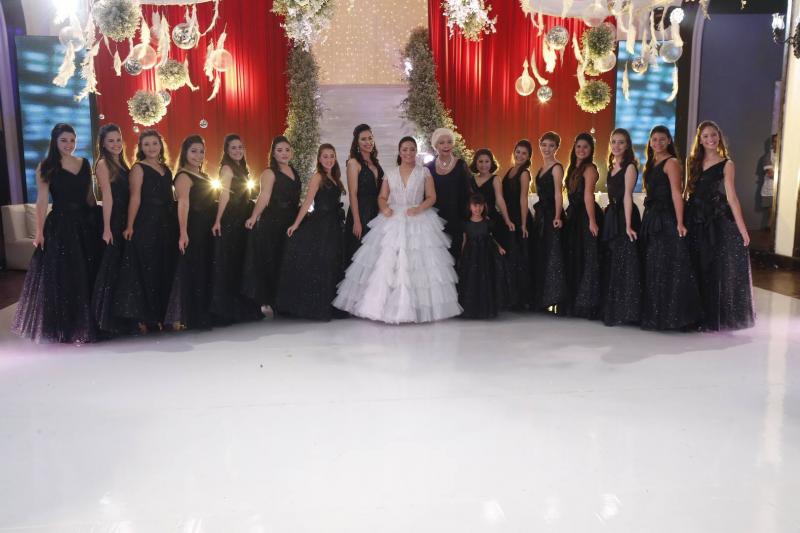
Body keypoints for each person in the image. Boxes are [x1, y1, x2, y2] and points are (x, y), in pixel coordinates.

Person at [334, 136, 461, 323]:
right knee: (387, 263)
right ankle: (383, 307)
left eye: (412, 149)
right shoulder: (390, 173)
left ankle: (418, 307)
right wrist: (384, 208)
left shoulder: (424, 172)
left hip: (418, 218)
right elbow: (382, 197)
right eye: (405, 149)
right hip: (393, 218)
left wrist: (419, 208)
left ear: (416, 151)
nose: (408, 153)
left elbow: (432, 197)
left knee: (419, 264)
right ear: (399, 152)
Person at [12, 123, 102, 343]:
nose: (69, 144)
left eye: (72, 140)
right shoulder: (46, 166)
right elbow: (42, 200)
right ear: (54, 141)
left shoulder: (84, 162)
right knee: (67, 275)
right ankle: (69, 326)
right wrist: (39, 232)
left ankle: (90, 323)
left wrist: (100, 218)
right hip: (61, 225)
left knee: (88, 272)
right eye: (64, 140)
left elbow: (90, 196)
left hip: (85, 223)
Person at [685, 121, 755, 330]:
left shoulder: (727, 164)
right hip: (692, 216)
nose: (710, 139)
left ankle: (709, 316)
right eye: (706, 136)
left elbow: (732, 197)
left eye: (713, 135)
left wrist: (742, 229)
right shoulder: (693, 161)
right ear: (700, 140)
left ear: (719, 137)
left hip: (712, 218)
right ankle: (692, 315)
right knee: (692, 264)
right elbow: (686, 192)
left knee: (710, 265)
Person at [639, 125, 702, 330]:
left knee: (668, 264)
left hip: (666, 218)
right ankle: (656, 313)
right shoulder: (651, 162)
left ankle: (673, 316)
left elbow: (677, 193)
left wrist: (680, 222)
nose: (657, 143)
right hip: (652, 217)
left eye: (662, 139)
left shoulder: (672, 162)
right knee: (654, 263)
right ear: (650, 142)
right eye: (654, 139)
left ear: (668, 141)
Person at [114, 129, 178, 332]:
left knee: (164, 266)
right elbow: (135, 198)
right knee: (148, 267)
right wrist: (130, 225)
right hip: (146, 221)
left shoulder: (166, 168)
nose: (151, 147)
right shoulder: (138, 168)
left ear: (161, 146)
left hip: (167, 222)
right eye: (147, 144)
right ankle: (148, 318)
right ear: (141, 147)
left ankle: (164, 315)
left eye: (155, 143)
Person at [275, 144, 346, 320]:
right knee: (322, 263)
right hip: (321, 224)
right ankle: (318, 306)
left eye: (331, 156)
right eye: (325, 156)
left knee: (331, 262)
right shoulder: (318, 177)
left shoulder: (335, 177)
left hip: (334, 225)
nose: (329, 159)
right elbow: (308, 202)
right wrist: (296, 224)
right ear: (319, 159)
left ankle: (330, 303)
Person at [241, 136, 301, 312]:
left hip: (291, 218)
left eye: (287, 150)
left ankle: (284, 300)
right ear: (273, 153)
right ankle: (272, 301)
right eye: (279, 150)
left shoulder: (293, 170)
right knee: (273, 259)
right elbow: (264, 196)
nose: (284, 153)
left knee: (286, 260)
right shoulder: (269, 173)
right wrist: (254, 217)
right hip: (274, 220)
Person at [164, 135, 217, 330]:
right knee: (193, 269)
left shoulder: (203, 175)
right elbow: (183, 204)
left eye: (201, 151)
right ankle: (192, 315)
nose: (198, 155)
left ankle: (204, 312)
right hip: (194, 228)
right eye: (194, 151)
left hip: (206, 227)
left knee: (203, 268)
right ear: (185, 152)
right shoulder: (183, 176)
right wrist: (183, 232)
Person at [209, 134, 261, 324]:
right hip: (231, 218)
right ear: (227, 151)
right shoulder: (227, 168)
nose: (238, 150)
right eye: (233, 148)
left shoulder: (241, 167)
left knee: (240, 261)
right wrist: (218, 220)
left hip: (242, 216)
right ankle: (228, 310)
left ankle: (241, 308)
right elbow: (224, 195)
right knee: (230, 262)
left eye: (240, 147)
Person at [91, 123, 132, 335]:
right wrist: (107, 228)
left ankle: (125, 315)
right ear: (103, 144)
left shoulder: (122, 163)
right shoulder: (103, 164)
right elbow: (106, 197)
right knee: (112, 267)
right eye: (111, 141)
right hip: (114, 220)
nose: (116, 144)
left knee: (124, 267)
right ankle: (108, 320)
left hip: (126, 218)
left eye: (118, 140)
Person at [600, 128, 641, 326]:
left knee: (626, 263)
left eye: (621, 142)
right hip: (613, 215)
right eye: (614, 142)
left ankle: (627, 311)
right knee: (614, 261)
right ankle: (615, 308)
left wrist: (628, 224)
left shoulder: (630, 167)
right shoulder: (612, 166)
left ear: (627, 145)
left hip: (625, 216)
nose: (616, 146)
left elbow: (627, 196)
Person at [560, 133, 602, 319]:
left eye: (585, 147)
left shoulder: (589, 168)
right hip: (574, 216)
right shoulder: (573, 168)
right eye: (579, 146)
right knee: (574, 257)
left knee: (586, 257)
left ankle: (586, 305)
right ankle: (574, 303)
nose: (581, 150)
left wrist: (592, 220)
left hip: (585, 216)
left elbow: (588, 196)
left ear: (591, 150)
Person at [530, 132, 568, 312]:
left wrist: (558, 216)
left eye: (551, 146)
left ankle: (554, 298)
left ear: (556, 148)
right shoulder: (541, 168)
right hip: (541, 215)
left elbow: (558, 194)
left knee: (553, 255)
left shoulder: (557, 167)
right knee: (542, 254)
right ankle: (542, 299)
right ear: (539, 145)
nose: (547, 149)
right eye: (544, 145)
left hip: (552, 214)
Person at [458, 193, 508, 319]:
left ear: (484, 206)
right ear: (470, 207)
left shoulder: (488, 223)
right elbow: (464, 241)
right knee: (472, 281)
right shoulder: (466, 224)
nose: (477, 208)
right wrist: (462, 256)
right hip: (471, 256)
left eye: (480, 206)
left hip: (485, 256)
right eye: (475, 206)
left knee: (485, 280)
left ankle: (485, 309)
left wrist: (499, 247)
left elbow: (491, 238)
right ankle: (471, 310)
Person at [498, 139, 534, 309]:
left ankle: (521, 299)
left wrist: (524, 224)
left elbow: (523, 199)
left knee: (519, 258)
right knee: (510, 257)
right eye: (518, 152)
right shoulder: (511, 170)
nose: (520, 155)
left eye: (524, 153)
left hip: (519, 218)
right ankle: (510, 297)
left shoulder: (524, 173)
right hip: (508, 217)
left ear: (528, 157)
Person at [425, 127, 471, 262]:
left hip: (456, 219)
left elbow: (467, 194)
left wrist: (466, 222)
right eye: (442, 142)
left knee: (455, 258)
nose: (446, 145)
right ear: (435, 146)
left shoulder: (461, 165)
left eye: (449, 142)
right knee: (437, 261)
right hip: (435, 221)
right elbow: (424, 195)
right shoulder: (428, 167)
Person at [345, 124, 384, 263]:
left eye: (370, 138)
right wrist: (356, 221)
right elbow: (352, 193)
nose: (368, 142)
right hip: (361, 213)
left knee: (375, 255)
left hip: (376, 212)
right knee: (360, 254)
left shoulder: (375, 162)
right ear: (357, 142)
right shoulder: (353, 163)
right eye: (363, 139)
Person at [467, 148, 515, 234]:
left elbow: (500, 200)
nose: (484, 165)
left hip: (491, 217)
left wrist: (507, 220)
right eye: (480, 161)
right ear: (475, 163)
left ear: (491, 163)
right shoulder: (471, 179)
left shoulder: (495, 179)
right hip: (475, 217)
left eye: (487, 161)